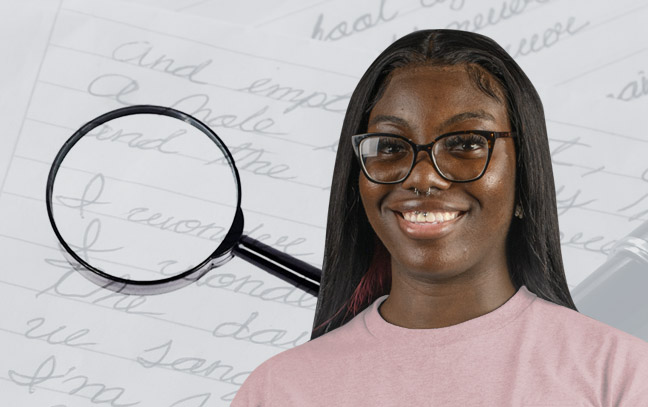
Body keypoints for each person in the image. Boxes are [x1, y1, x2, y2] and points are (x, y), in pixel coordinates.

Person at [231, 29, 648, 406]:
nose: (423, 176)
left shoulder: (620, 374)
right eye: (390, 147)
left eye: (467, 143)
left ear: (525, 181)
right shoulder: (279, 390)